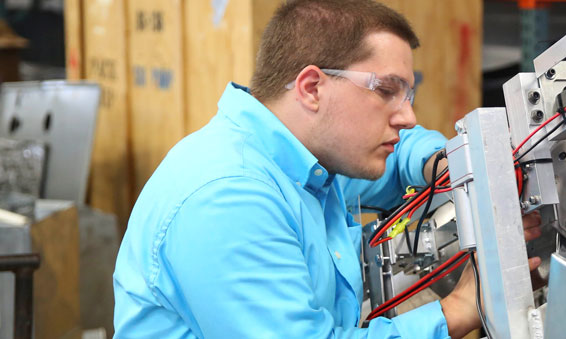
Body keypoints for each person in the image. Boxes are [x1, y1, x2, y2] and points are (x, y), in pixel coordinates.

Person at [113, 1, 539, 337]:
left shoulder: (302, 159)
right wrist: (458, 310)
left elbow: (399, 159)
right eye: (387, 91)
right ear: (312, 88)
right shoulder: (229, 197)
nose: (408, 117)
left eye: (408, 94)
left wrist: (444, 164)